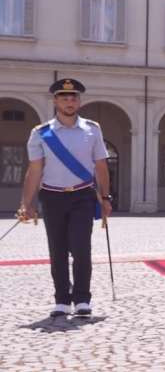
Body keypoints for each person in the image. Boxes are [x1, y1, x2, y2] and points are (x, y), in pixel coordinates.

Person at [17, 78, 113, 318]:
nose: (69, 102)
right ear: (55, 101)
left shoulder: (92, 129)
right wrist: (26, 203)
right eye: (64, 98)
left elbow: (101, 166)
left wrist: (105, 197)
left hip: (82, 196)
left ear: (79, 101)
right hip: (52, 197)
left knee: (81, 249)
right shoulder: (40, 133)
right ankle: (62, 300)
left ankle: (82, 299)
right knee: (57, 249)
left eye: (73, 98)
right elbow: (34, 170)